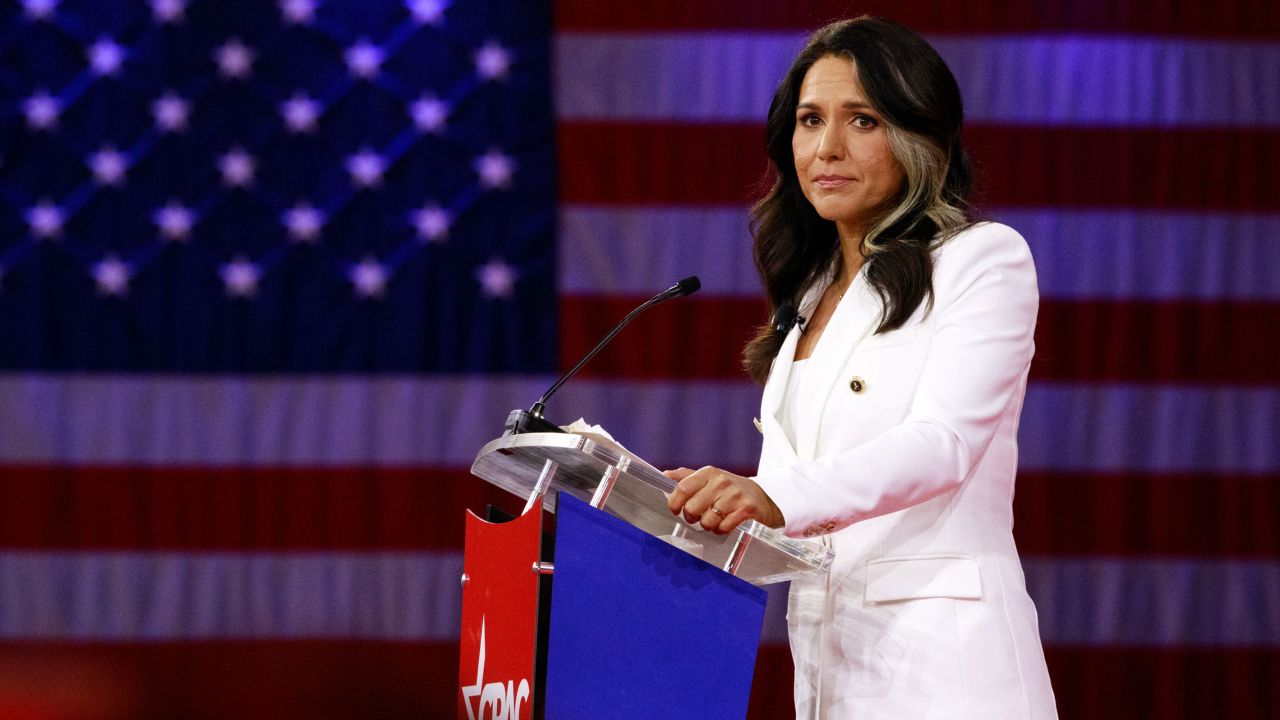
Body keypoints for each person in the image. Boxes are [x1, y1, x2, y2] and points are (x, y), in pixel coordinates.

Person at [664, 16, 1058, 719]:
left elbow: (944, 445)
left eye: (863, 120)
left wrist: (769, 495)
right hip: (832, 678)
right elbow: (796, 505)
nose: (827, 148)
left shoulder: (981, 259)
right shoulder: (809, 297)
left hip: (951, 676)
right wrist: (697, 508)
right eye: (810, 120)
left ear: (920, 137)